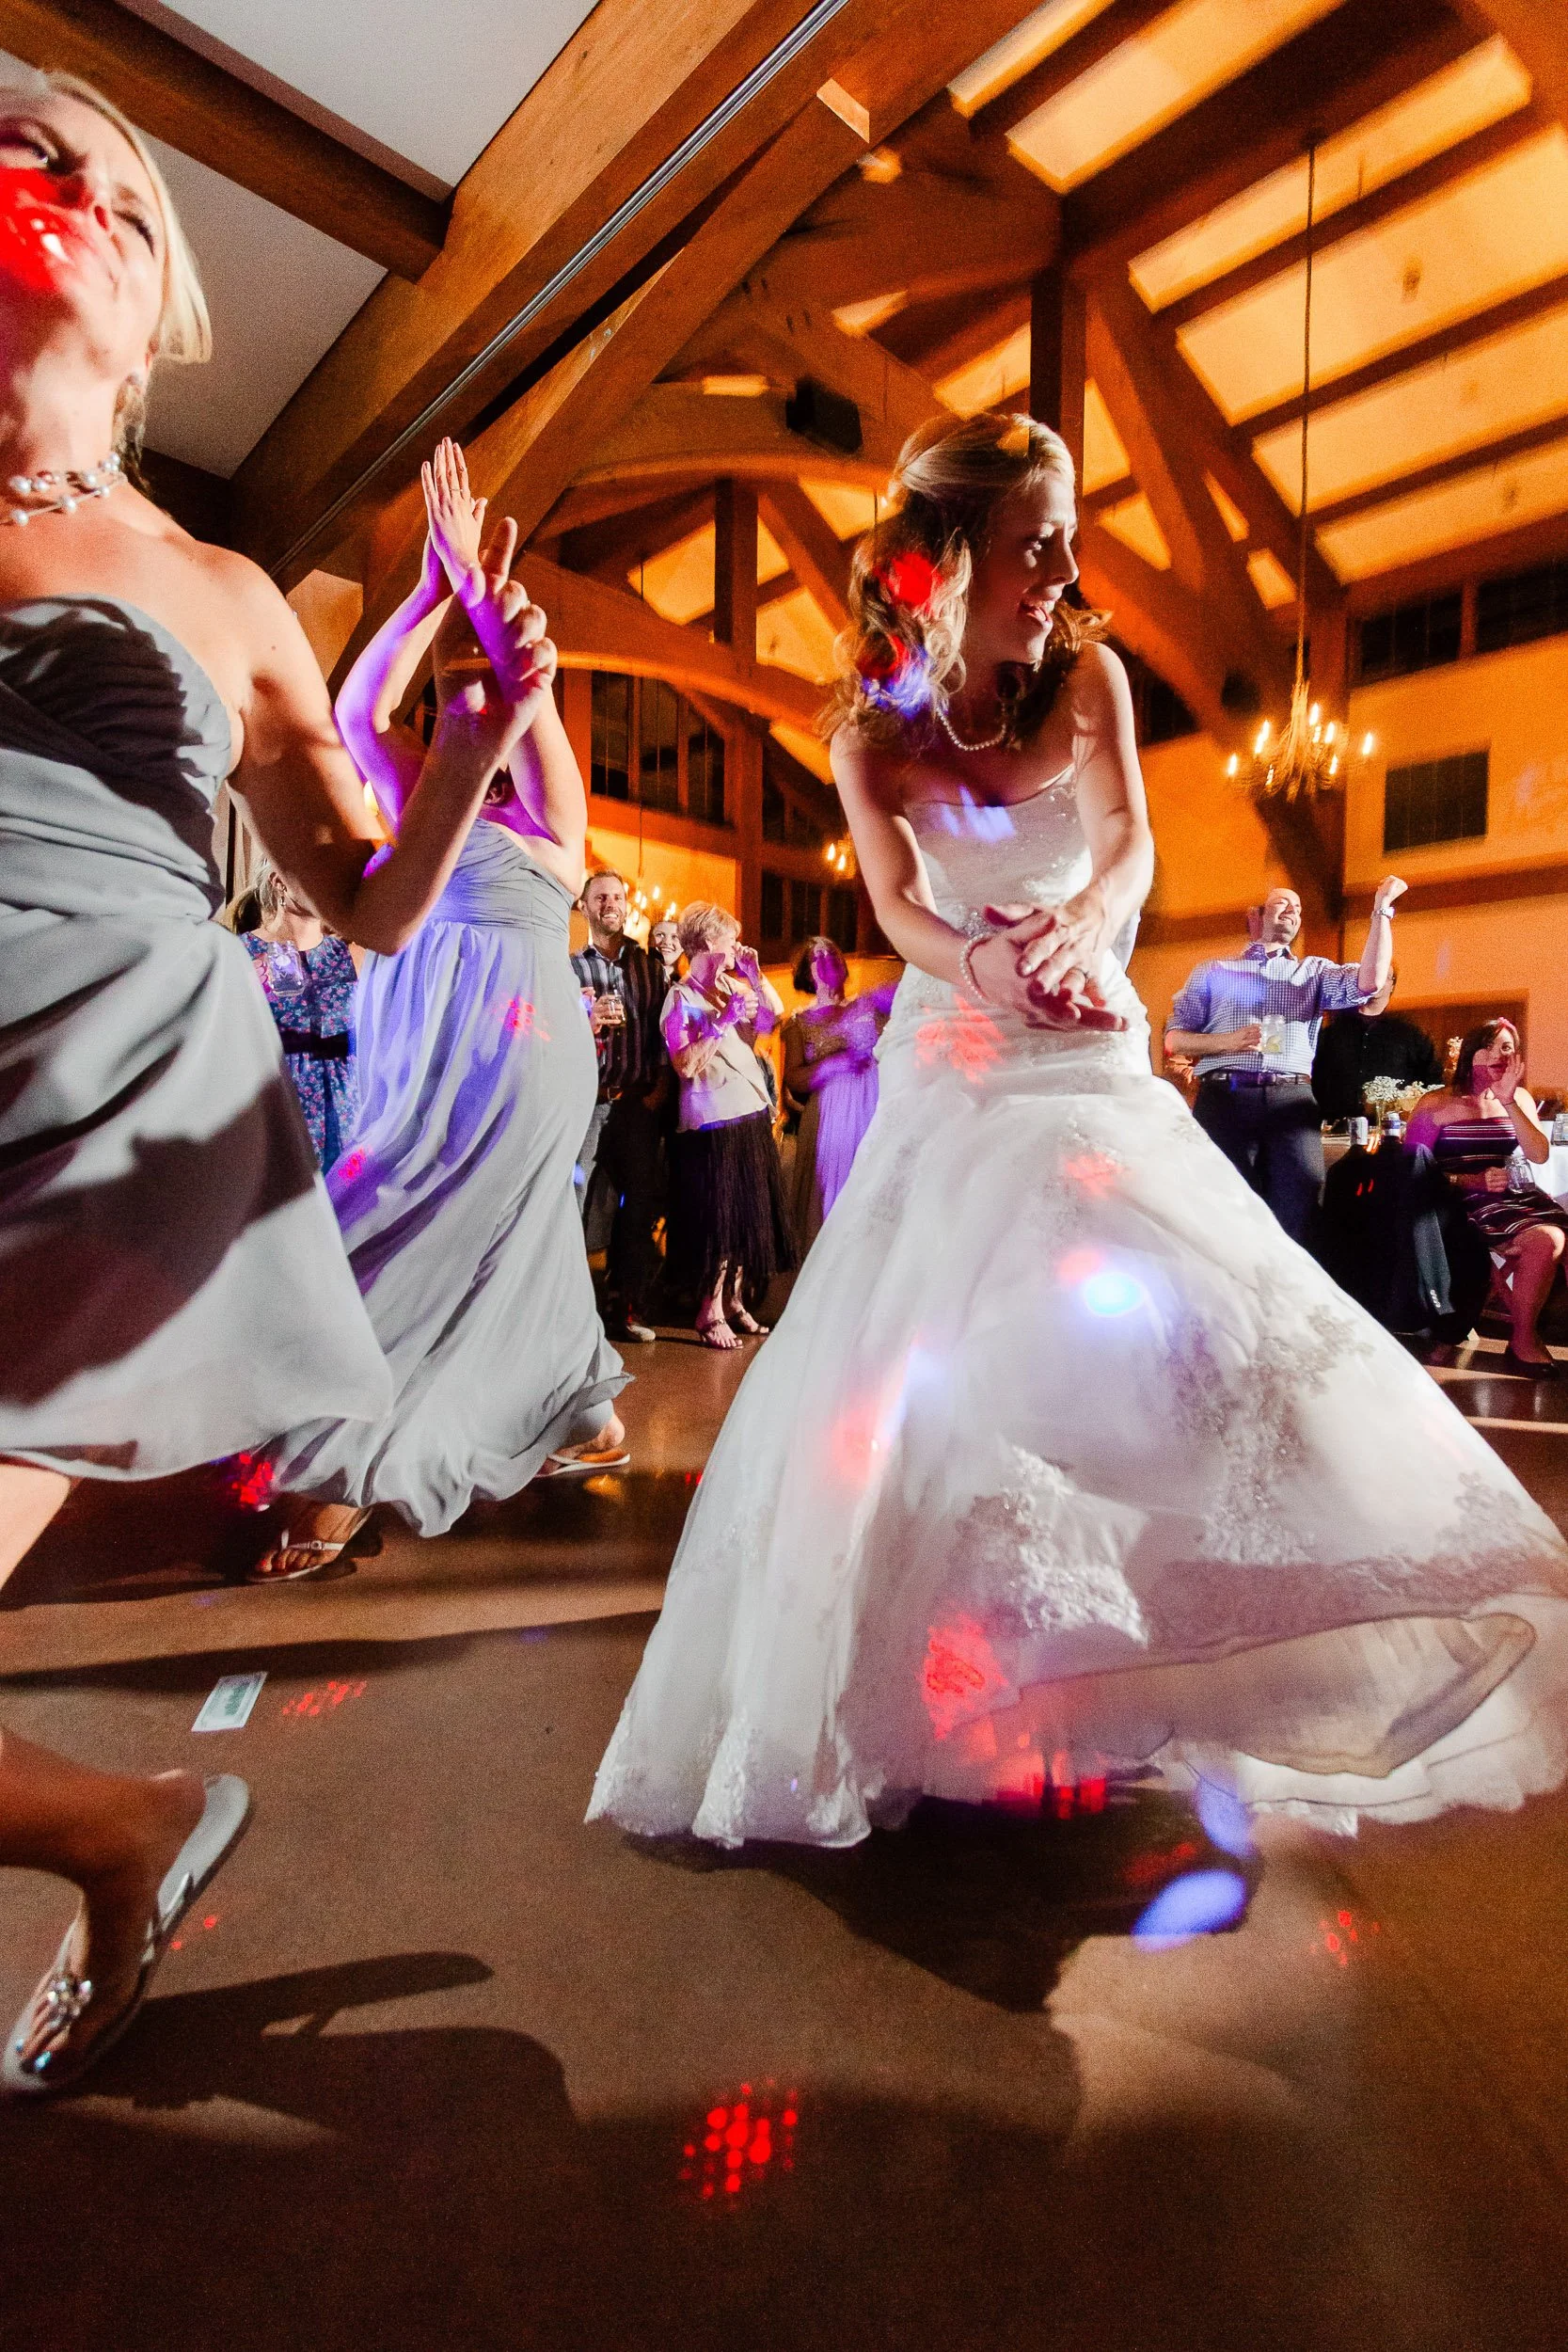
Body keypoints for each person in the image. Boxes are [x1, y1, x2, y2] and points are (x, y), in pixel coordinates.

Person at [589, 407, 1568, 1851]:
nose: (1062, 561)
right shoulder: (874, 729)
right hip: (961, 1041)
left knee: (1168, 1319)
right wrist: (978, 961)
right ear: (941, 557)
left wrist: (1087, 925)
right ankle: (958, 1677)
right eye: (1031, 537)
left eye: (1064, 531)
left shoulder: (1088, 674)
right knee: (939, 1362)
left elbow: (1128, 842)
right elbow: (895, 905)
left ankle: (1163, 1626)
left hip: (1087, 1029)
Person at [0, 74, 533, 2090]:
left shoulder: (217, 589)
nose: (63, 183)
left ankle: (126, 1827)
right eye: (31, 145)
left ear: (151, 329)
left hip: (96, 1113)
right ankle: (126, 1825)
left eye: (119, 192)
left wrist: (472, 742)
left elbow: (374, 908)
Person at [261, 442, 629, 1563]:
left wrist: (484, 598)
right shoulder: (418, 810)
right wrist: (429, 586)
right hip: (420, 1042)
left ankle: (345, 1465)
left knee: (421, 1217)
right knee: (479, 1225)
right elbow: (359, 702)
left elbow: (531, 712)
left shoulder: (549, 833)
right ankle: (582, 1410)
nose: (453, 712)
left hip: (518, 1049)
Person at [1164, 882, 1407, 1247]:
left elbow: (1369, 982)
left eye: (1298, 907)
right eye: (1281, 903)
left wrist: (1381, 910)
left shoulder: (1313, 971)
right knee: (1221, 1207)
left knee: (1302, 1206)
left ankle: (1289, 1300)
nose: (1292, 910)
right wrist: (1227, 1042)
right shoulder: (1213, 970)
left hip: (1289, 1100)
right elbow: (1174, 1040)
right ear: (1257, 917)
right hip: (1225, 1099)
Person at [662, 900, 795, 1349]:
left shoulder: (732, 985)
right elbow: (684, 1064)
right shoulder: (681, 996)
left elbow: (772, 1018)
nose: (738, 945)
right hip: (712, 1123)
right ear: (705, 943)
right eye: (730, 938)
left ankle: (735, 1300)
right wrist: (721, 1021)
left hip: (751, 1112)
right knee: (719, 1221)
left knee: (745, 1218)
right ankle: (709, 1309)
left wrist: (756, 977)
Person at [1406, 1018, 1568, 1375]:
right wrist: (1469, 1179)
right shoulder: (1436, 1104)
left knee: (1559, 1233)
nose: (1499, 1054)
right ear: (1470, 1053)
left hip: (1511, 1192)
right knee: (1548, 1239)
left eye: (1507, 1047)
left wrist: (1509, 1101)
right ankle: (1523, 1340)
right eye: (1490, 1046)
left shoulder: (1518, 1097)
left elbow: (1539, 1154)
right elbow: (1411, 1170)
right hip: (1459, 1198)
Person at [571, 868, 668, 1344]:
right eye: (601, 897)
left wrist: (660, 1091)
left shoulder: (650, 969)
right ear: (584, 906)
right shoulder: (567, 968)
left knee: (640, 1203)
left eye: (618, 897)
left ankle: (621, 1306)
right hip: (586, 1103)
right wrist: (585, 1020)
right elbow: (548, 1034)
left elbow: (667, 1037)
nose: (611, 903)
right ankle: (567, 1310)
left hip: (633, 1105)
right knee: (572, 1200)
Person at [243, 861, 360, 1171]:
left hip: (346, 1111)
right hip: (275, 1109)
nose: (332, 889)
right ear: (280, 882)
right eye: (321, 876)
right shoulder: (243, 954)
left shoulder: (349, 954)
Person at [783, 934, 894, 1252]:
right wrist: (836, 1064)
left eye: (832, 953)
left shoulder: (868, 1004)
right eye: (817, 957)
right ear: (807, 972)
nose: (827, 959)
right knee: (831, 1195)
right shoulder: (799, 1023)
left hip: (873, 1107)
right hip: (829, 1117)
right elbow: (794, 1079)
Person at [1311, 966, 1440, 1124]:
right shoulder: (1332, 1032)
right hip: (1337, 1126)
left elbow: (1432, 1081)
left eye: (1384, 977)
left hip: (1391, 1127)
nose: (1377, 982)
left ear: (1392, 985)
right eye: (1371, 975)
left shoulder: (1411, 1032)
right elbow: (1317, 1079)